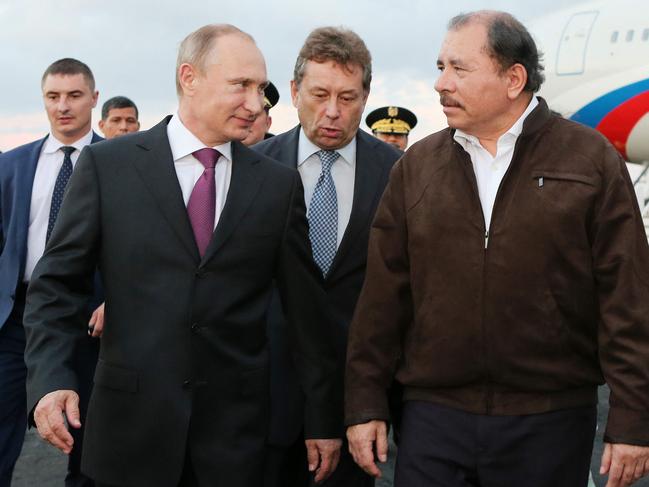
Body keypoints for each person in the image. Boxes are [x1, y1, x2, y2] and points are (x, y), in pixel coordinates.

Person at [23, 24, 342, 487]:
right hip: (128, 436)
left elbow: (307, 313)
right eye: (241, 86)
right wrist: (52, 379)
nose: (256, 103)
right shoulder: (109, 167)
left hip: (234, 443)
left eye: (260, 88)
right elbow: (55, 286)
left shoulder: (276, 185)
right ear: (189, 78)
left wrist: (322, 418)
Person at [345, 10, 649, 487]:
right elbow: (383, 298)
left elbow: (627, 300)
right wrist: (364, 403)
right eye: (440, 67)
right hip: (433, 421)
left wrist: (632, 420)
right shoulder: (416, 168)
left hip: (548, 421)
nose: (441, 84)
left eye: (459, 69)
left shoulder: (590, 161)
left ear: (514, 78)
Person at [253, 27, 401, 487]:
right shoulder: (253, 170)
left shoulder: (399, 175)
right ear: (295, 91)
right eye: (319, 94)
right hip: (263, 404)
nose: (333, 112)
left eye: (348, 97)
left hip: (357, 407)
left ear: (366, 96)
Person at [0, 58, 102, 487]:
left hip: (90, 323)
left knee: (90, 449)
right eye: (53, 97)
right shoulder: (11, 165)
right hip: (16, 321)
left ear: (93, 99)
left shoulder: (117, 164)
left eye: (75, 96)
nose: (63, 106)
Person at [242, 81, 279, 146]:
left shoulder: (288, 155)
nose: (244, 122)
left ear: (268, 123)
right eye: (237, 115)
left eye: (252, 115)